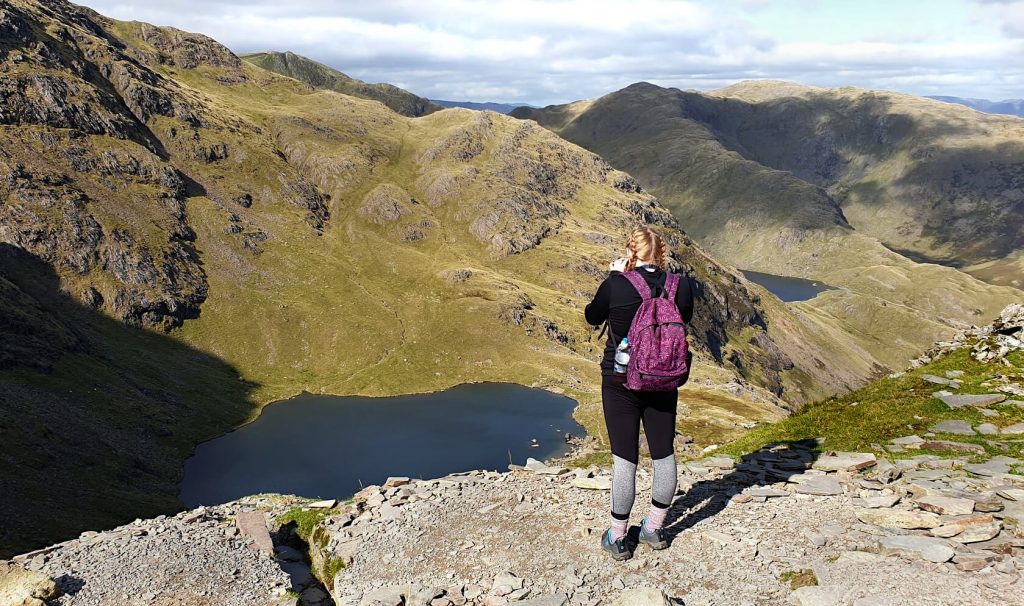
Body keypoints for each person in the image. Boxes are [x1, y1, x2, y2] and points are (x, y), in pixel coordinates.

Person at [584, 226, 694, 561]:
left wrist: (615, 276)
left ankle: (618, 537)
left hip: (620, 380)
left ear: (630, 251)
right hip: (663, 381)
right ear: (661, 253)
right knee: (664, 454)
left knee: (624, 459)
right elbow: (684, 318)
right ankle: (655, 528)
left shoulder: (616, 284)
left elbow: (592, 316)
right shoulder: (680, 285)